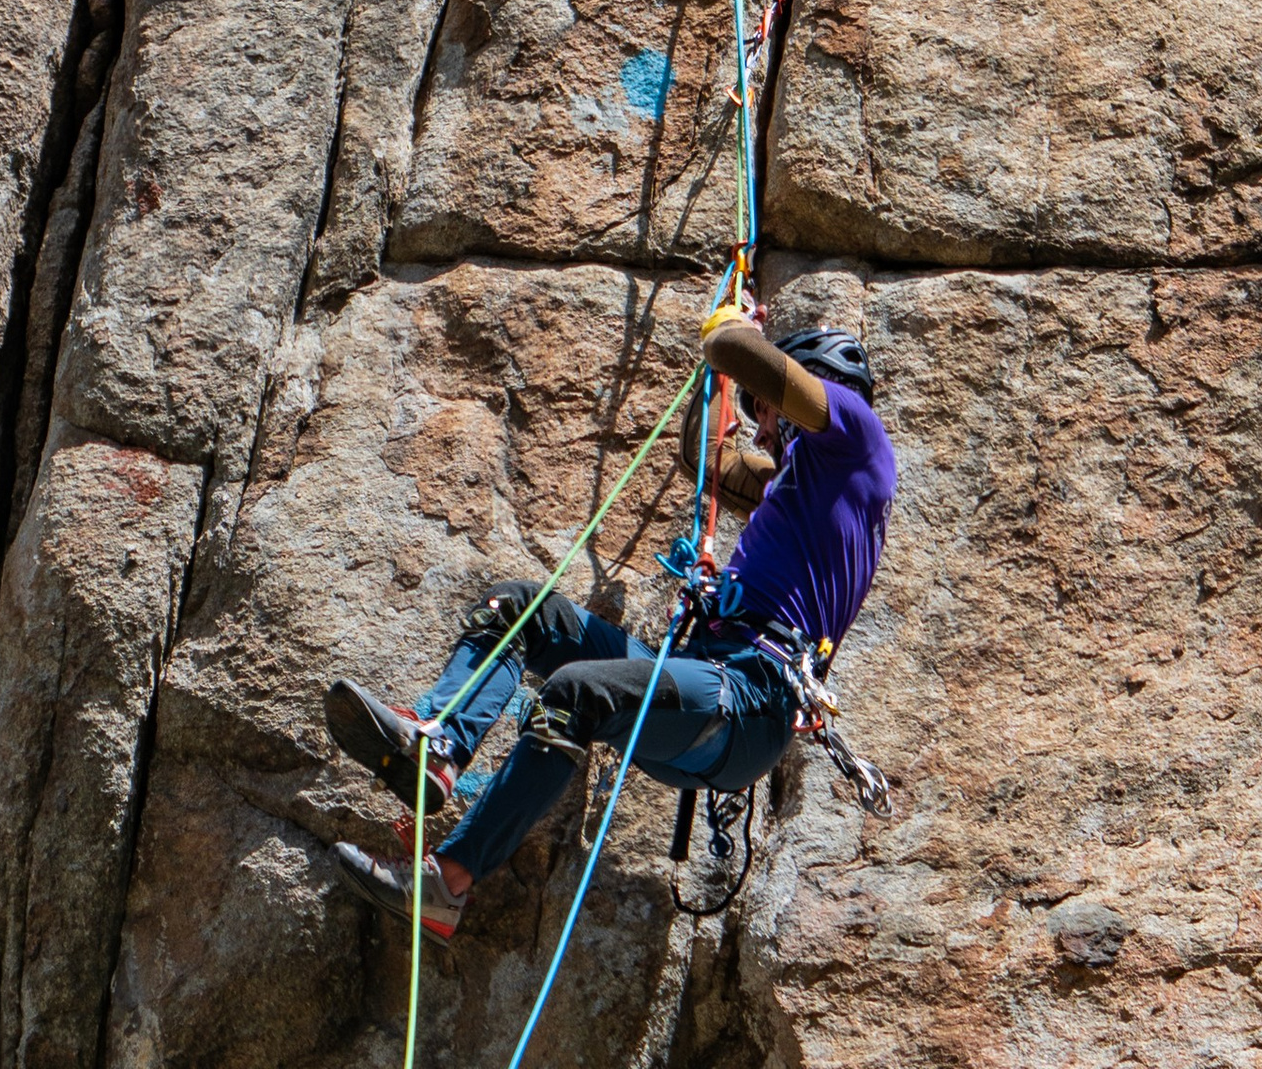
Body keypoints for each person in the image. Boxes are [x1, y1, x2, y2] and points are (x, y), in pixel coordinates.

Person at [327, 313, 897, 941]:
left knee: (575, 692)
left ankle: (446, 883)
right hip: (712, 690)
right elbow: (706, 456)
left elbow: (733, 348)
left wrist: (737, 329)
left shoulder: (855, 432)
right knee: (522, 609)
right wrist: (725, 386)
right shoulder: (798, 485)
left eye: (769, 410)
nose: (764, 425)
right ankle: (440, 745)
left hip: (749, 699)